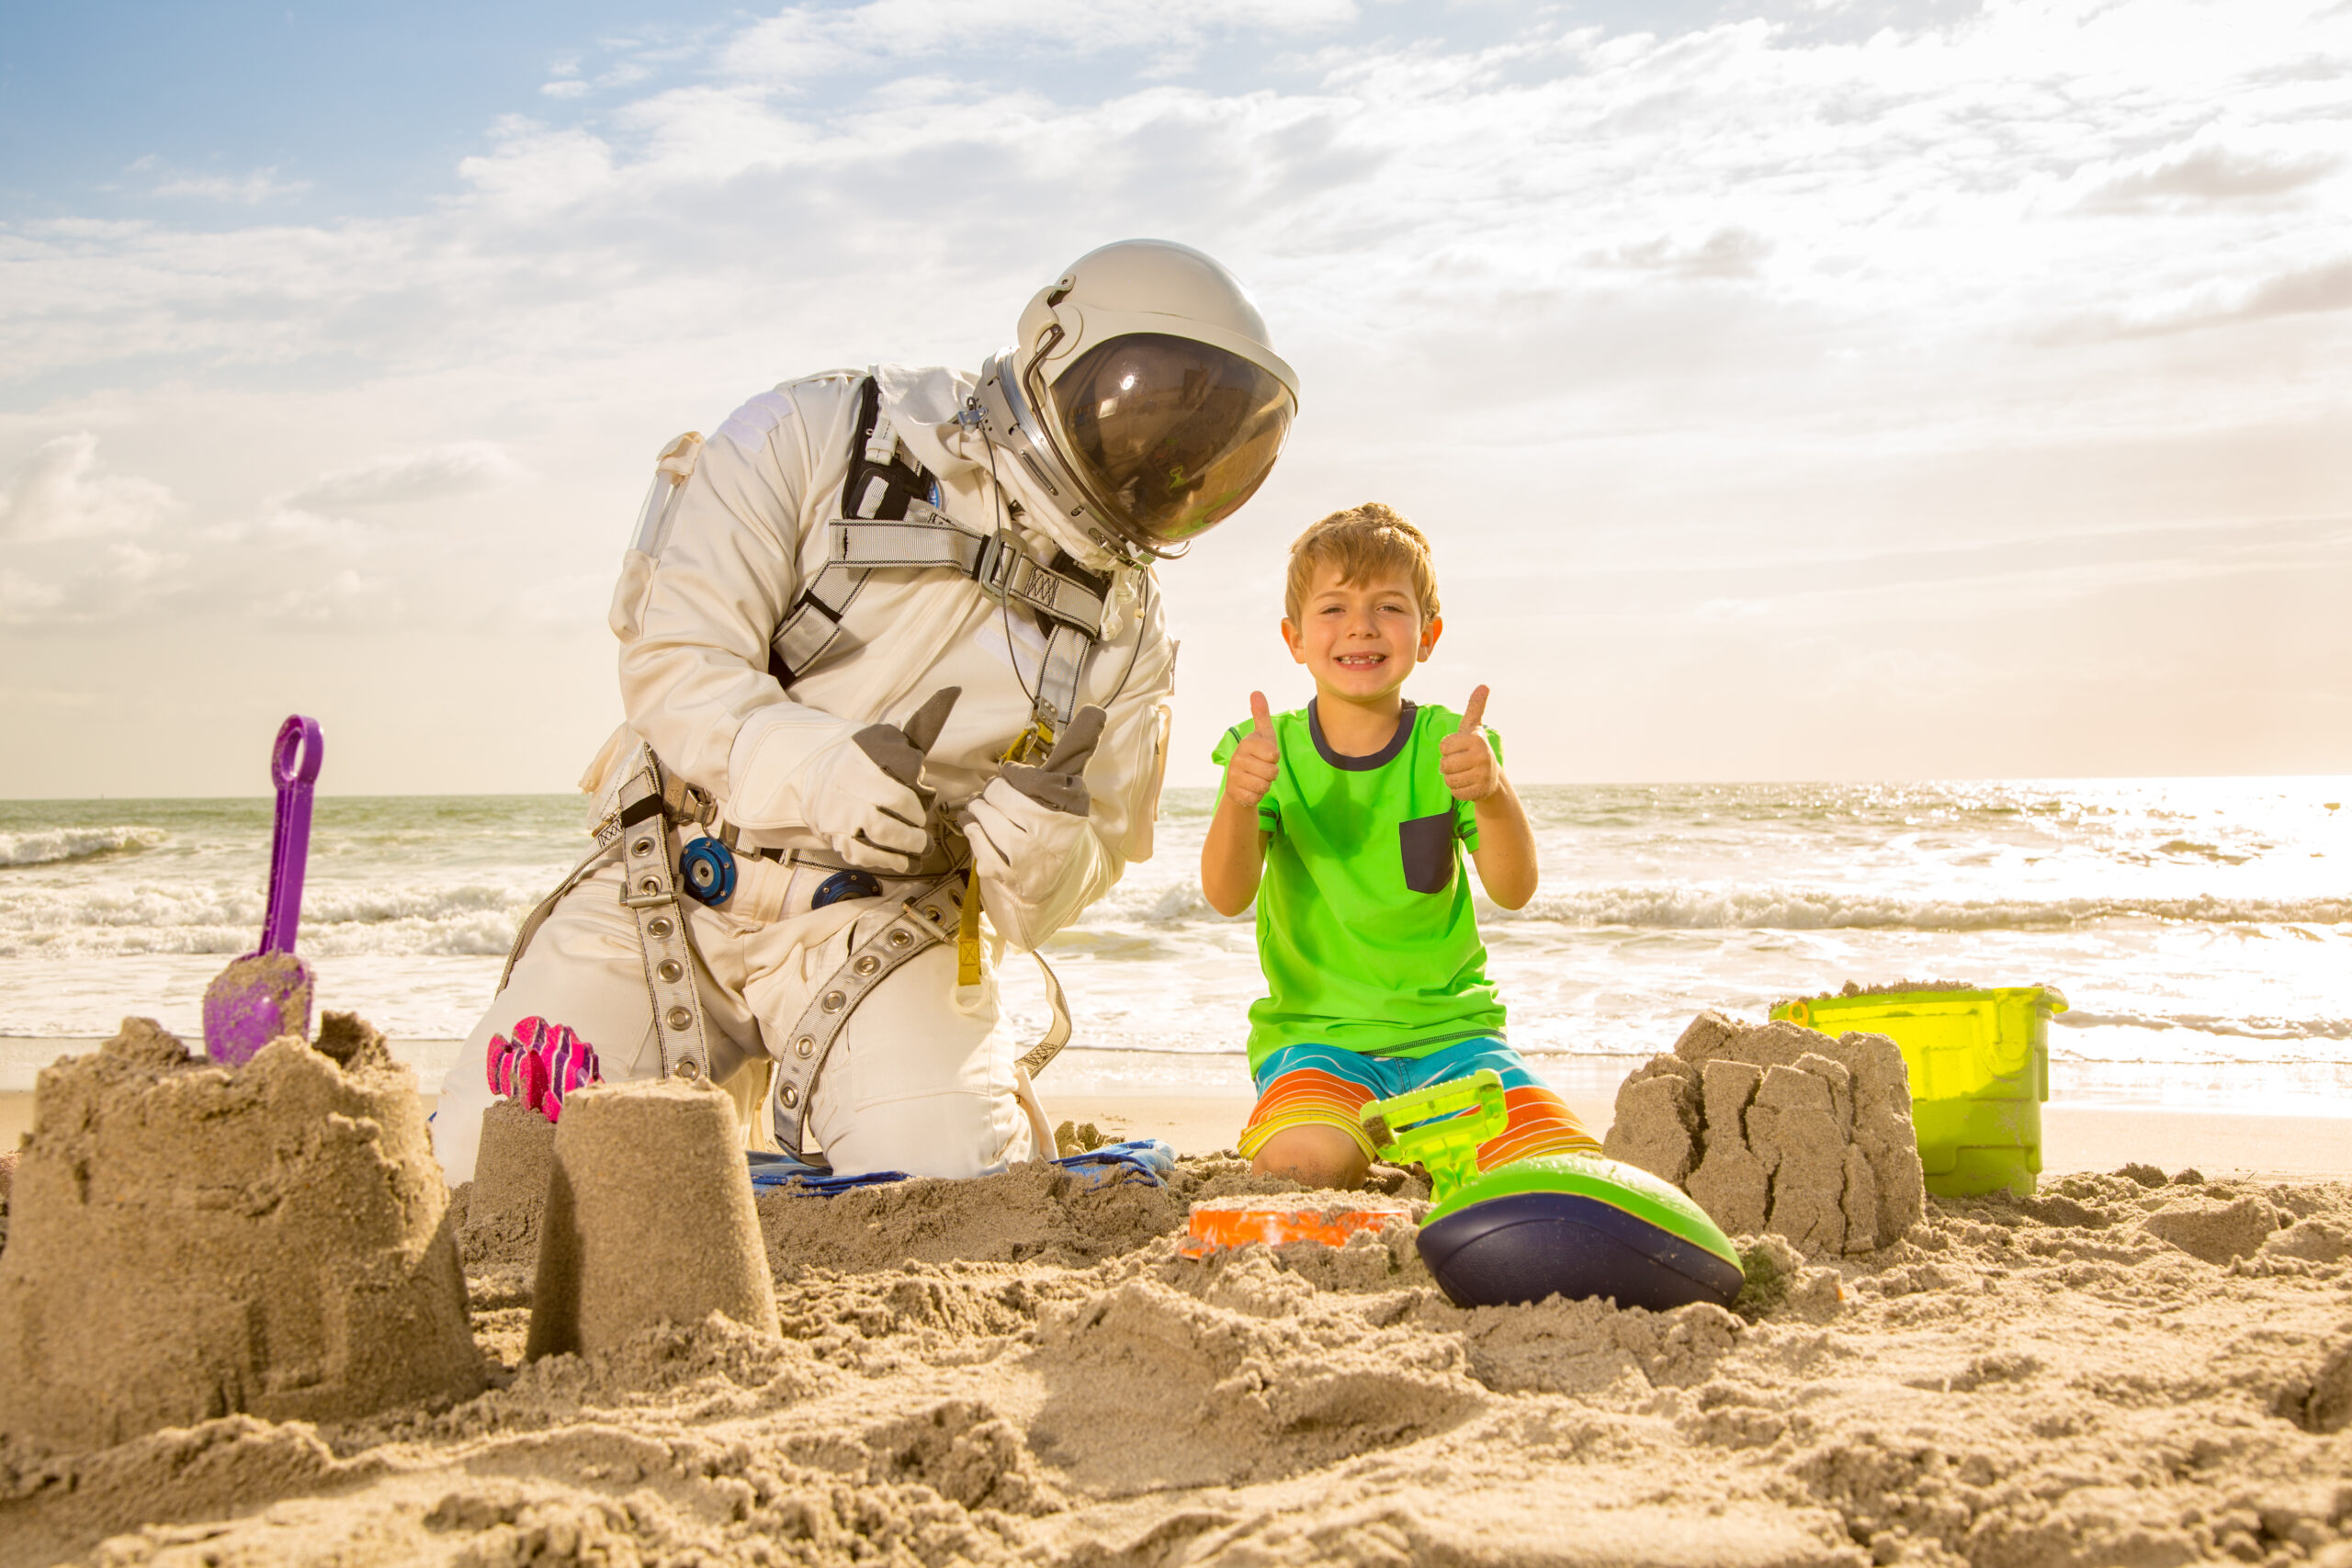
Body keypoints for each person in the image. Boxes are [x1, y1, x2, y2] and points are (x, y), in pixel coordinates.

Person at [432, 240, 1298, 1184]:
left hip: (886, 928)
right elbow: (675, 662)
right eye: (1155, 417)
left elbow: (1097, 862)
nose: (1163, 465)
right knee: (496, 1169)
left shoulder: (1127, 628)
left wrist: (1042, 848)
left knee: (946, 1187)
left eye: (1198, 452)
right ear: (1056, 347)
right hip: (669, 880)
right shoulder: (816, 434)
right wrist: (823, 768)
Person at [1199, 502, 1600, 1190]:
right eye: (1334, 609)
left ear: (1427, 634)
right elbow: (1226, 895)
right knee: (1303, 1165)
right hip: (1319, 1044)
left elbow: (1514, 887)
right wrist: (1240, 801)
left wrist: (1492, 792)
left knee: (1553, 1171)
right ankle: (1380, 1140)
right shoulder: (1263, 751)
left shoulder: (1453, 747)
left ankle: (1432, 1143)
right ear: (1294, 638)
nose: (1360, 625)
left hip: (1455, 1036)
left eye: (1389, 606)